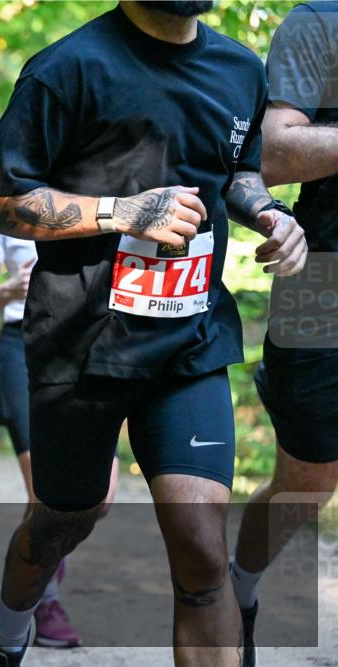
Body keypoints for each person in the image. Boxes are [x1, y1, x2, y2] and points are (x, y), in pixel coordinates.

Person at [0, 2, 309, 666]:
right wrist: (119, 211)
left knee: (203, 550)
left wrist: (268, 213)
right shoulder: (67, 68)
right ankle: (9, 632)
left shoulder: (239, 68)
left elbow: (238, 171)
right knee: (66, 517)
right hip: (82, 344)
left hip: (191, 339)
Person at [231, 4, 338, 666]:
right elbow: (270, 154)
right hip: (323, 283)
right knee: (306, 481)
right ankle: (237, 595)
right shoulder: (320, 20)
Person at [0, 230, 120, 649]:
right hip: (23, 344)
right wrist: (9, 289)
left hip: (93, 342)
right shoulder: (11, 205)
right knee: (49, 494)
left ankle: (30, 581)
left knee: (99, 499)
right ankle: (41, 602)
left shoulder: (112, 192)